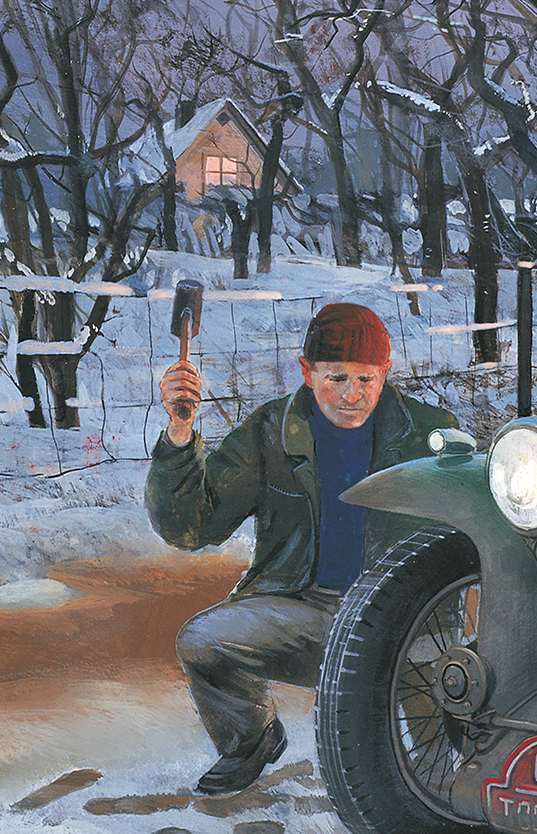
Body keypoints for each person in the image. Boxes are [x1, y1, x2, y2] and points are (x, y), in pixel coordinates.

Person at [147, 302, 461, 794]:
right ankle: (250, 739)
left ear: (386, 373)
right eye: (336, 379)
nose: (352, 396)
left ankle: (442, 768)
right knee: (202, 641)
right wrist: (181, 433)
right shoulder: (271, 431)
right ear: (307, 373)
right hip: (308, 613)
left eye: (366, 380)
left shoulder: (432, 434)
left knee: (444, 767)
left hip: (409, 621)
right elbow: (192, 525)